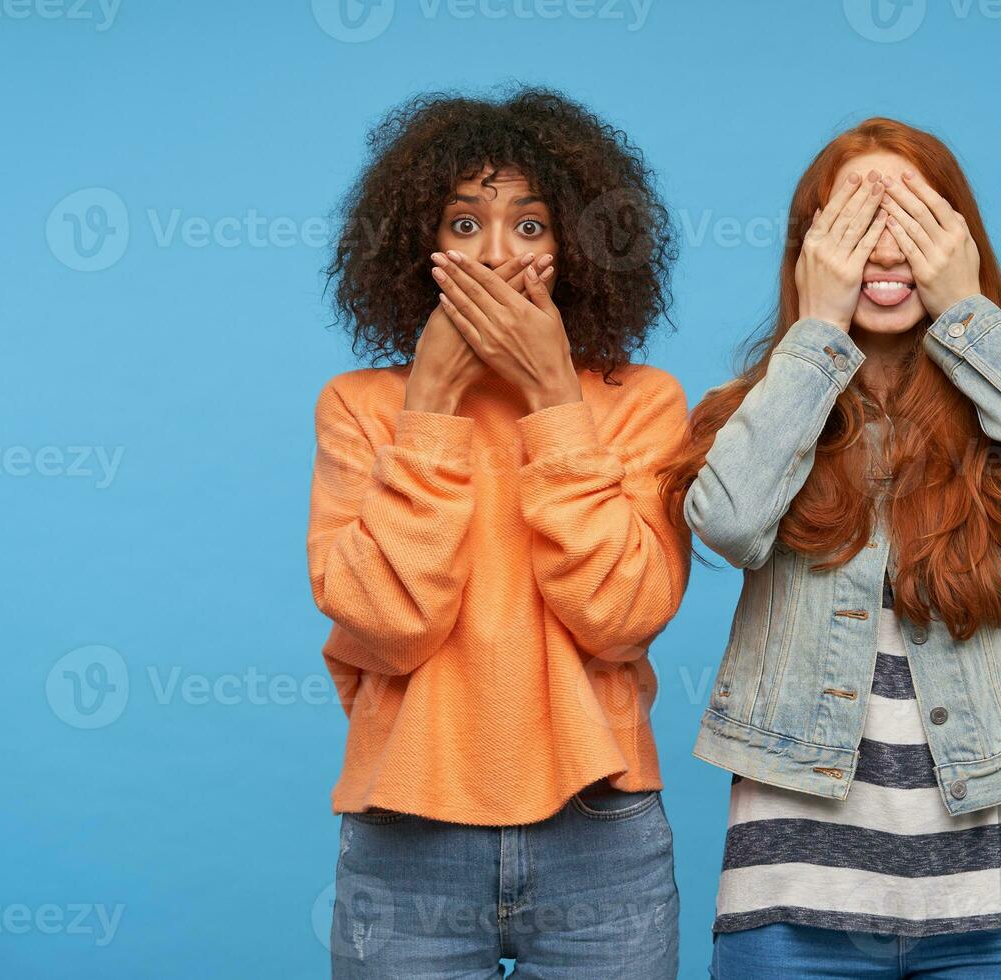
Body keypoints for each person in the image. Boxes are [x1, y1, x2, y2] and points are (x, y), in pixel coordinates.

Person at [661, 117, 1001, 979]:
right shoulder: (758, 412)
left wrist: (970, 311)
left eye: (914, 219)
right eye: (855, 222)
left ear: (958, 240)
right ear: (812, 251)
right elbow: (731, 523)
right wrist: (818, 333)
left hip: (990, 887)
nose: (884, 251)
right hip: (791, 883)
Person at [309, 86, 688, 979]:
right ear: (421, 244)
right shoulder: (360, 408)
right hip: (405, 836)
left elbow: (623, 616)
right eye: (464, 222)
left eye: (529, 225)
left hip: (602, 834)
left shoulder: (641, 404)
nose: (494, 256)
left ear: (575, 246)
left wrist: (557, 403)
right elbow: (383, 626)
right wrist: (430, 408)